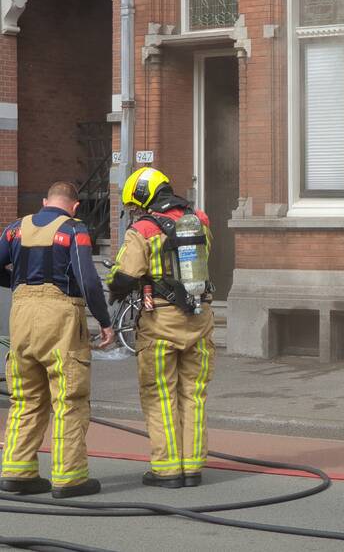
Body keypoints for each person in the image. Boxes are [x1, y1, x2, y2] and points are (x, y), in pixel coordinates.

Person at [0, 181, 114, 498]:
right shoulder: (74, 229)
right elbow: (87, 278)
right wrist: (104, 321)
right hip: (60, 319)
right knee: (69, 399)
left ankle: (17, 472)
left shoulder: (15, 229)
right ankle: (69, 478)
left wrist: (18, 283)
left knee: (25, 398)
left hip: (21, 319)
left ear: (45, 200)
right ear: (74, 205)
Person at [106, 167, 214, 488]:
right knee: (194, 394)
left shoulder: (143, 229)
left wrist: (114, 288)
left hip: (160, 321)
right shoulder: (200, 221)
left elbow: (125, 277)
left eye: (134, 206)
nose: (134, 213)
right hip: (200, 316)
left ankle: (167, 470)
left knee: (159, 395)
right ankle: (193, 468)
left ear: (142, 197)